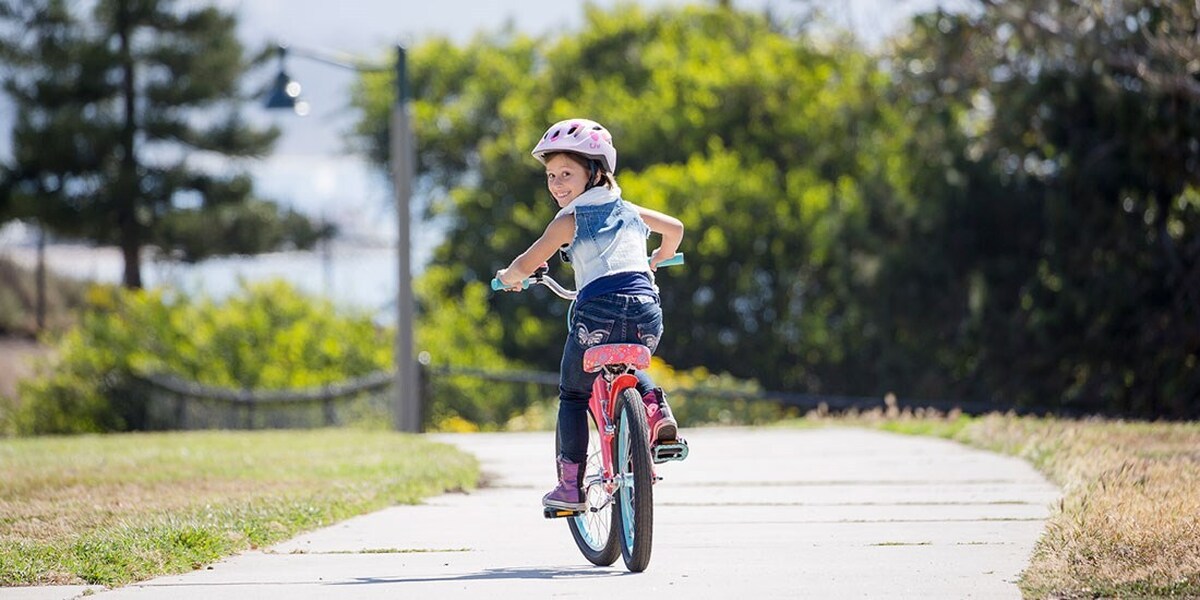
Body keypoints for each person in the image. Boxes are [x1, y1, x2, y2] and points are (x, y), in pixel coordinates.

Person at [495, 118, 685, 511]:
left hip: (596, 311)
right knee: (628, 356)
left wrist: (509, 277)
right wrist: (658, 258)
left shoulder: (569, 221)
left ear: (595, 172)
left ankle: (569, 488)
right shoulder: (630, 210)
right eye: (550, 176)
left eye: (567, 173)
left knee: (573, 393)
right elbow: (675, 228)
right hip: (648, 311)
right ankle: (655, 409)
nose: (557, 184)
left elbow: (528, 261)